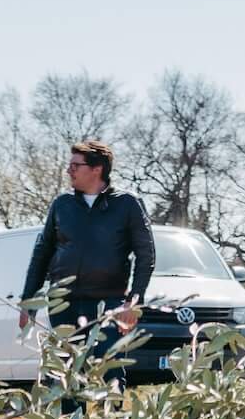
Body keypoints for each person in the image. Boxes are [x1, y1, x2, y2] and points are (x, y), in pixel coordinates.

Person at [19, 137, 154, 352]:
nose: (68, 170)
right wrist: (28, 302)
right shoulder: (61, 204)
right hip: (63, 304)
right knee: (64, 372)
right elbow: (42, 253)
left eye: (75, 165)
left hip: (109, 304)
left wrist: (133, 301)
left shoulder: (127, 204)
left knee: (107, 373)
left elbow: (146, 255)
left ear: (96, 169)